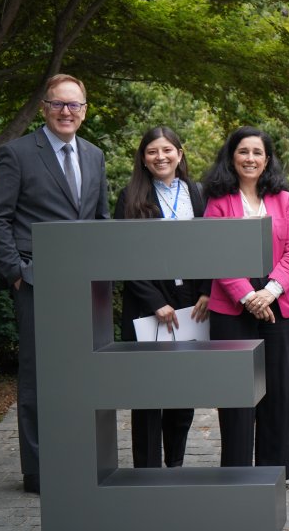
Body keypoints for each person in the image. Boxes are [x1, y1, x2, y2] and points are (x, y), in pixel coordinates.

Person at [0, 74, 109, 494]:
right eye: (58, 103)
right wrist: (16, 273)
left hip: (86, 285)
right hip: (36, 282)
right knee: (38, 374)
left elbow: (100, 221)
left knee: (83, 373)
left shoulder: (94, 155)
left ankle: (80, 458)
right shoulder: (17, 153)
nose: (66, 112)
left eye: (74, 105)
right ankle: (38, 469)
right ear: (44, 107)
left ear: (84, 111)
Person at [202, 126, 289, 478]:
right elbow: (214, 253)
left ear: (267, 159)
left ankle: (275, 471)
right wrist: (248, 296)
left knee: (280, 392)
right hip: (233, 307)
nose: (250, 158)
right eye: (243, 151)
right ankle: (237, 472)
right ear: (231, 157)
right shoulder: (218, 201)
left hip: (280, 302)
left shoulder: (283, 199)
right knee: (236, 396)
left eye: (257, 152)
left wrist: (270, 292)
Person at [114, 126, 211, 468]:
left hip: (191, 302)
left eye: (167, 150)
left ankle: (175, 466)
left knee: (183, 392)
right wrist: (155, 301)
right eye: (152, 151)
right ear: (143, 158)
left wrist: (206, 291)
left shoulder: (197, 193)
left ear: (179, 154)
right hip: (147, 302)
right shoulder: (129, 196)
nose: (161, 157)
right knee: (147, 393)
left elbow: (211, 246)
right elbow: (122, 256)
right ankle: (147, 470)